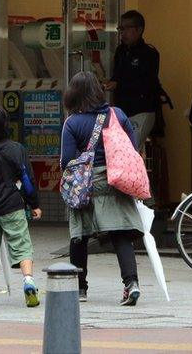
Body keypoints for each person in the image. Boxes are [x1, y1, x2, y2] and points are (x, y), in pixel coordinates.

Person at [61, 71, 143, 305]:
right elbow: (132, 149)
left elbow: (66, 160)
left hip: (86, 185)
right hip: (116, 181)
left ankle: (80, 289)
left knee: (80, 235)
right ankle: (131, 284)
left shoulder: (72, 123)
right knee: (120, 234)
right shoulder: (118, 115)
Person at [0, 105, 42, 307]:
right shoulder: (17, 149)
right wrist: (34, 204)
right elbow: (27, 180)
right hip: (13, 207)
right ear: (6, 125)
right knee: (22, 246)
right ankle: (28, 281)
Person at [105, 10, 170, 135]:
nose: (123, 33)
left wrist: (119, 85)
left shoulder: (149, 53)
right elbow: (117, 76)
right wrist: (110, 82)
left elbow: (147, 83)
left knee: (130, 149)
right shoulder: (121, 51)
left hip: (141, 110)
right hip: (122, 110)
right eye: (121, 28)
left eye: (127, 28)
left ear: (139, 30)